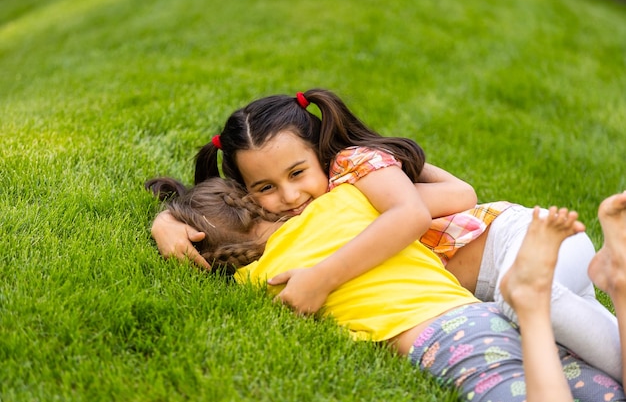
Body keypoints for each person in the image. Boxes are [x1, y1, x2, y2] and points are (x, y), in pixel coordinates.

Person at [149, 88, 621, 381]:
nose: (290, 196)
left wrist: (323, 278)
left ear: (319, 152)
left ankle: (612, 272)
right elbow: (218, 212)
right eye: (265, 188)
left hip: (516, 248)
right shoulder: (326, 206)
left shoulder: (352, 169)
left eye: (297, 172)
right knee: (587, 352)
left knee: (532, 306)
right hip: (508, 269)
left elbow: (412, 216)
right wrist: (167, 220)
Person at [150, 176, 624, 401]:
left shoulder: (259, 279)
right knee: (608, 383)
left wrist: (167, 219)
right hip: (477, 306)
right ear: (258, 203)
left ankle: (536, 298)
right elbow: (458, 194)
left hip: (445, 341)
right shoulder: (348, 201)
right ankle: (614, 283)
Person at [499, 191, 626, 401]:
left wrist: (422, 162)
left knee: (517, 296)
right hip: (548, 240)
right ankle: (619, 279)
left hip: (528, 234)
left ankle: (532, 299)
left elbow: (462, 194)